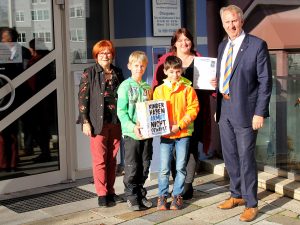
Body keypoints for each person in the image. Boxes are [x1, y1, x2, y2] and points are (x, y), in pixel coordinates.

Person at [215, 5, 272, 222]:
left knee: (246, 157)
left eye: (234, 21)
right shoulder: (222, 46)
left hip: (246, 111)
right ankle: (236, 195)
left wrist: (260, 113)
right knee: (229, 156)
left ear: (241, 21)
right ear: (223, 24)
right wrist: (218, 97)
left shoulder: (256, 45)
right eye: (227, 22)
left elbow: (266, 81)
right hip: (225, 108)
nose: (231, 25)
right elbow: (224, 75)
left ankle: (251, 203)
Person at [152, 28, 219, 200]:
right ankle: (177, 183)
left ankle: (187, 185)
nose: (184, 43)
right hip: (170, 116)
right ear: (174, 43)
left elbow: (210, 90)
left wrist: (213, 84)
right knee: (171, 151)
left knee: (190, 148)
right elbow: (155, 88)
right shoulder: (165, 61)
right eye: (180, 40)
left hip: (193, 113)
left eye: (187, 39)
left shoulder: (200, 60)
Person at [77, 40, 124, 207]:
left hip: (116, 120)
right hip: (97, 121)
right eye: (101, 53)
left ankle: (111, 191)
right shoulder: (89, 72)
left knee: (112, 159)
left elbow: (124, 96)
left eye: (108, 52)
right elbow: (83, 98)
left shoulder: (118, 72)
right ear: (96, 56)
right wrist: (85, 121)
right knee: (100, 159)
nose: (105, 55)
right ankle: (102, 194)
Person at [154, 55, 199, 210]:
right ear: (166, 71)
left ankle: (177, 195)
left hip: (183, 134)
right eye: (172, 72)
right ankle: (162, 195)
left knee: (180, 166)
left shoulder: (187, 89)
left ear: (181, 72)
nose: (175, 75)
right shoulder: (159, 90)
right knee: (164, 168)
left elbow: (193, 109)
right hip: (166, 135)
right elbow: (156, 112)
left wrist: (180, 125)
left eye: (178, 72)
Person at [117, 51, 153, 211]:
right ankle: (131, 196)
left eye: (142, 66)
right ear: (129, 66)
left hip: (147, 134)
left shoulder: (147, 87)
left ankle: (140, 193)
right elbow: (121, 112)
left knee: (145, 166)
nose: (139, 68)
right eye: (136, 65)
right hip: (132, 134)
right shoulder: (125, 86)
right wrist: (132, 127)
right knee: (132, 166)